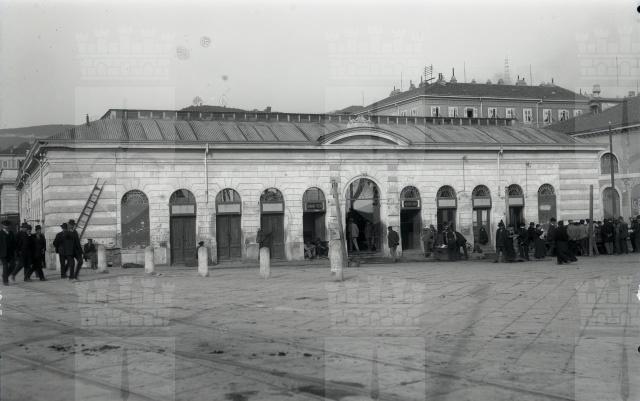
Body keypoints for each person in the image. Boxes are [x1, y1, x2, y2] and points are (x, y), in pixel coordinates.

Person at [0, 220, 16, 285]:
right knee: (5, 266)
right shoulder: (0, 233)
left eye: (7, 226)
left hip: (10, 253)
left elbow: (14, 242)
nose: (6, 227)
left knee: (13, 265)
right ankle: (5, 281)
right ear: (2, 226)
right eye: (5, 226)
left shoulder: (11, 233)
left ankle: (5, 275)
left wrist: (15, 251)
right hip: (3, 253)